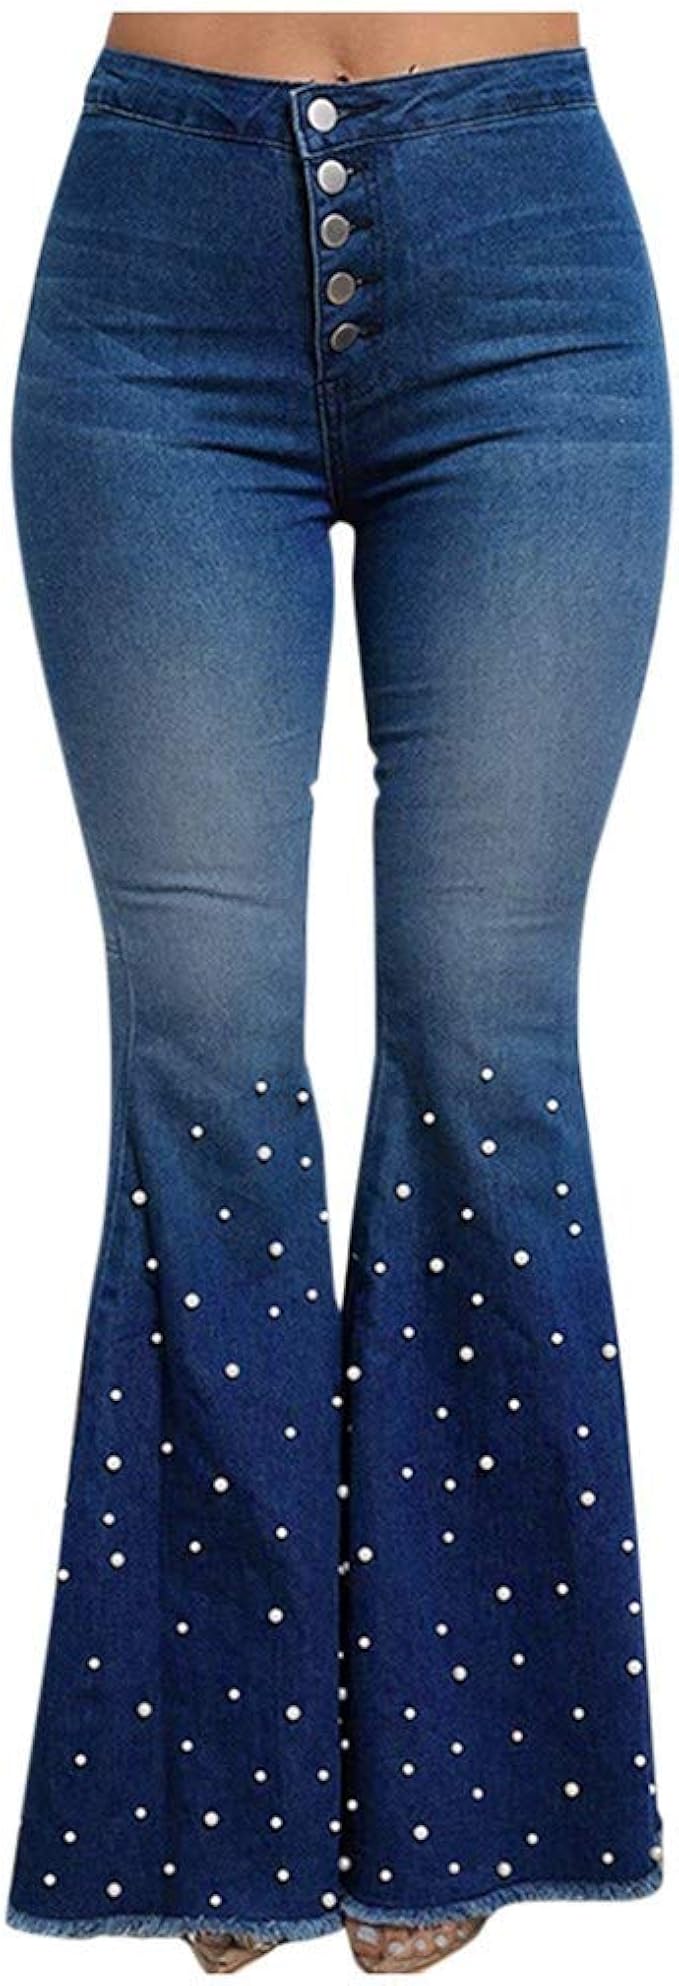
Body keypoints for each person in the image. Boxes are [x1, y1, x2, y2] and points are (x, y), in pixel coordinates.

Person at [5, 10, 670, 1975]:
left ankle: (469, 1786)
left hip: (526, 277)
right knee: (204, 1048)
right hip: (154, 283)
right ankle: (223, 1794)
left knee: (485, 1026)